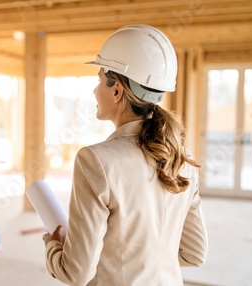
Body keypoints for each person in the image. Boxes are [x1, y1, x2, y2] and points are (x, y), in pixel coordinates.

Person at [41, 24, 208, 285]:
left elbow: (76, 273)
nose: (94, 91)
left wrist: (53, 247)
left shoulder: (95, 161)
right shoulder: (182, 158)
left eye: (98, 81)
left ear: (117, 90)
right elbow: (194, 253)